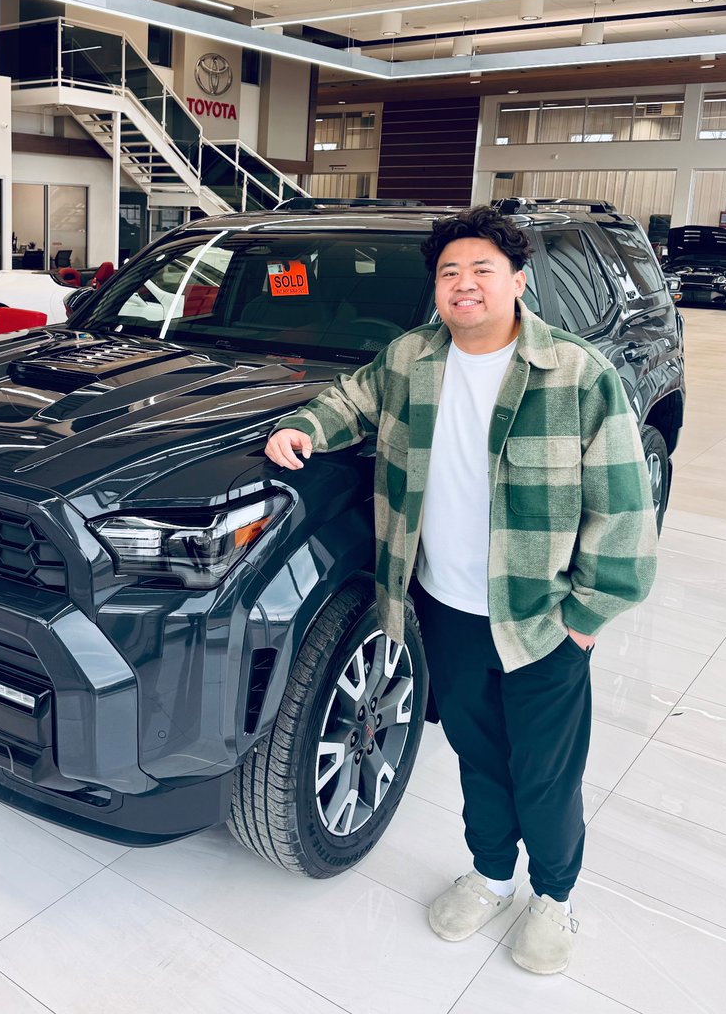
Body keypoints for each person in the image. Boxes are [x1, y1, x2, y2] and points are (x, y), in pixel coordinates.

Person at [265, 206, 657, 975]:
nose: (463, 284)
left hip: (539, 618)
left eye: (481, 270)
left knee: (543, 769)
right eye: (449, 272)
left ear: (517, 280)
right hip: (443, 608)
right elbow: (352, 398)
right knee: (476, 756)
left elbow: (622, 507)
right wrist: (304, 425)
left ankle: (552, 898)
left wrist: (585, 615)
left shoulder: (576, 373)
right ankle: (489, 876)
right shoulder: (412, 356)